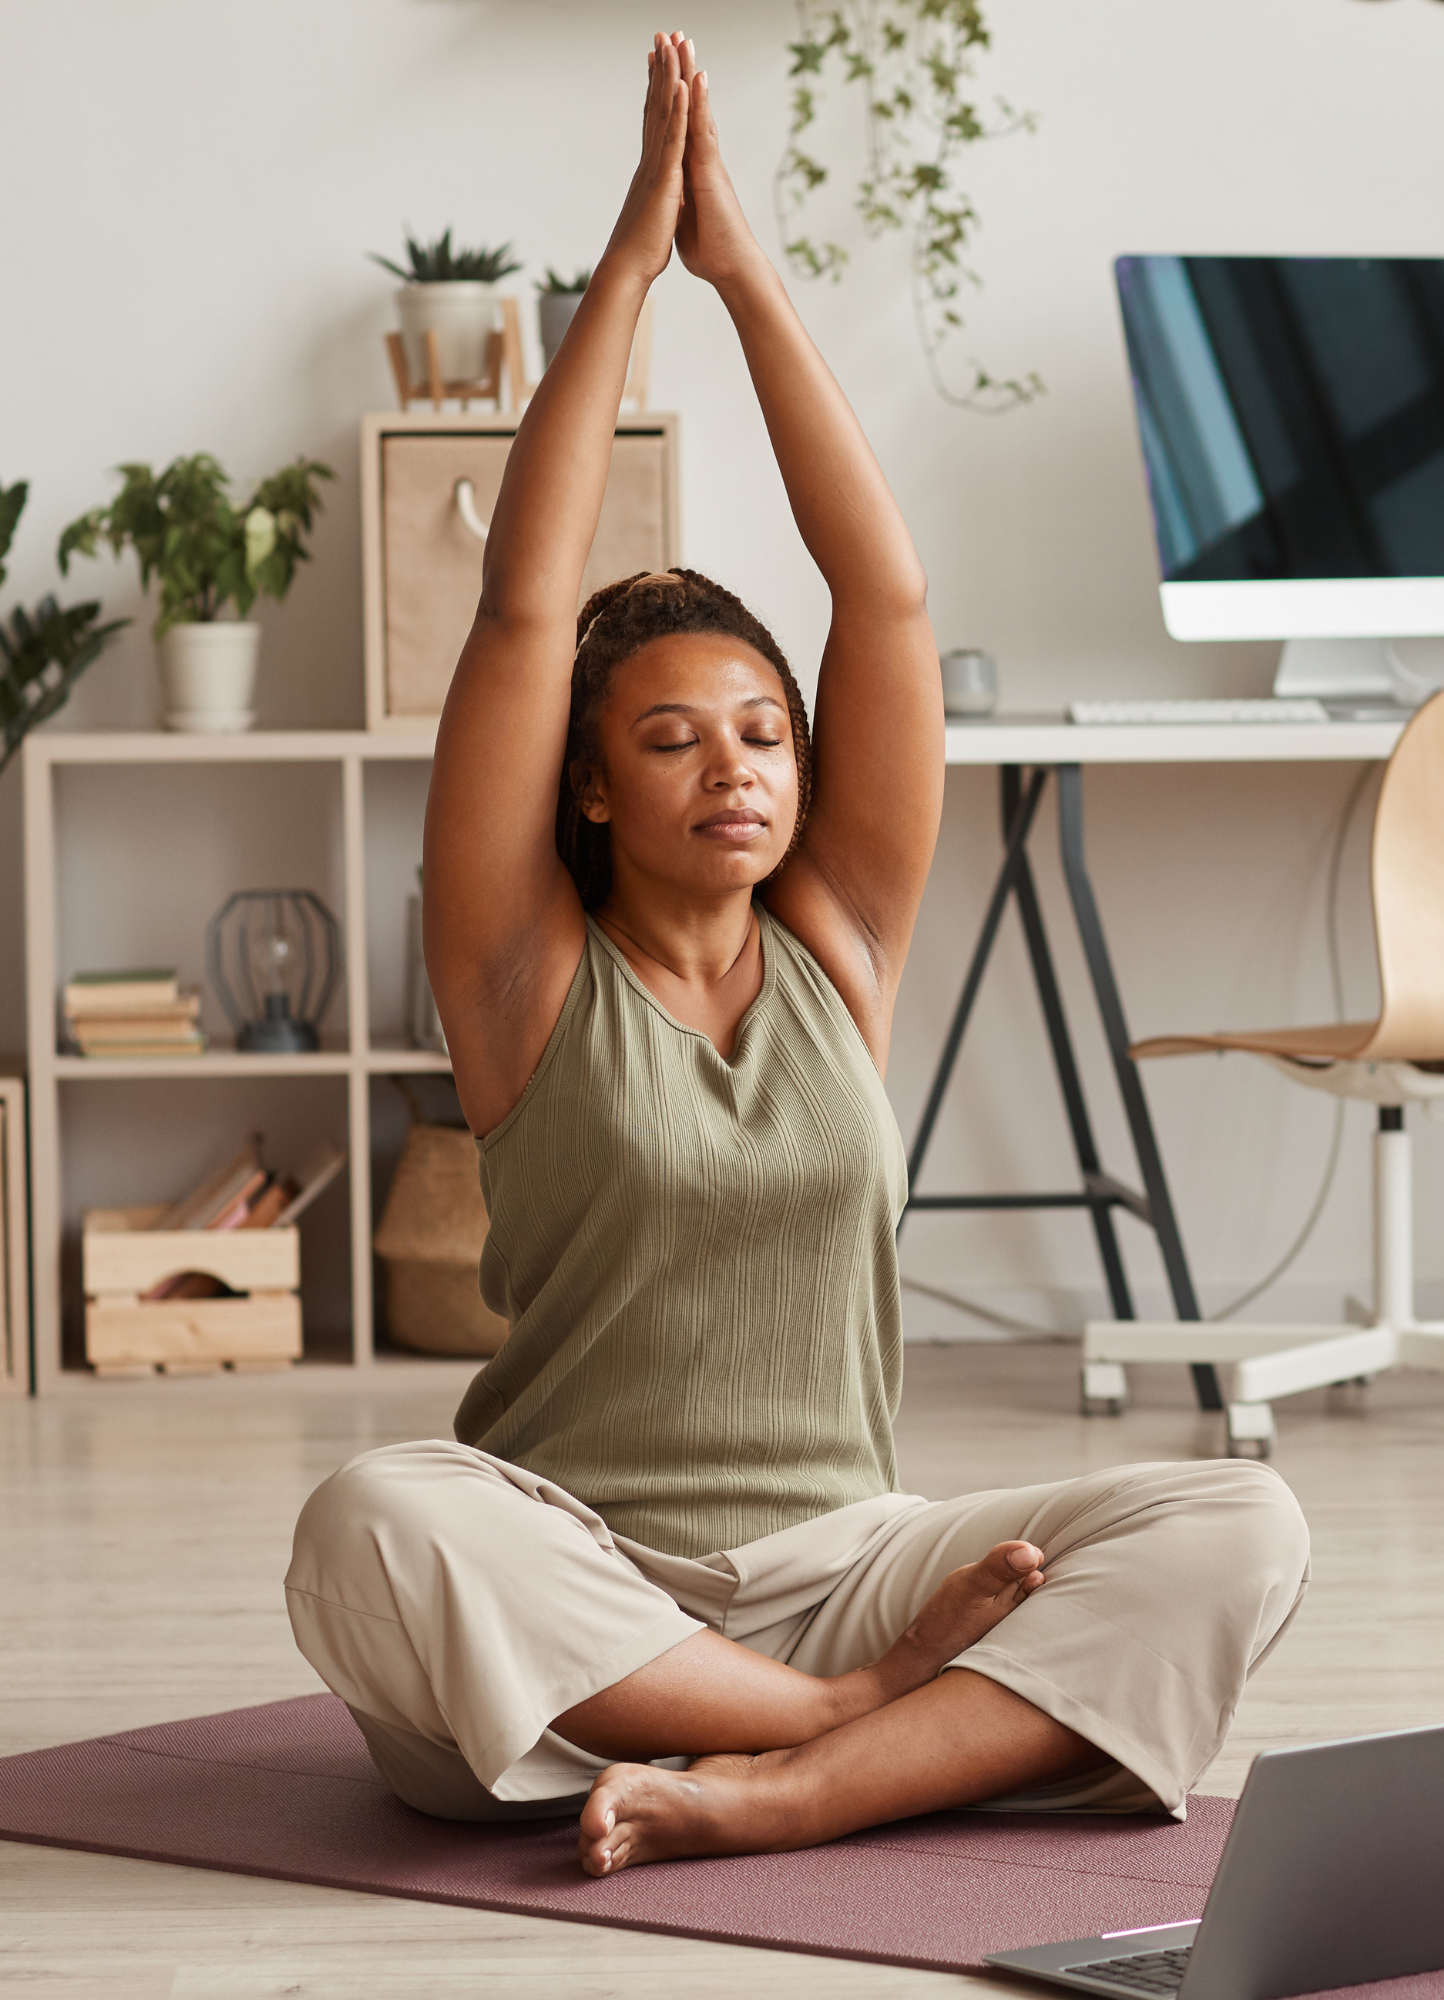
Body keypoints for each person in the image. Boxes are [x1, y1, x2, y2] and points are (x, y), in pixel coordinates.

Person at [286, 32, 1309, 1879]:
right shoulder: (524, 977)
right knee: (371, 1519)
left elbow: (887, 596)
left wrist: (743, 270)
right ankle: (849, 1740)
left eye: (761, 731)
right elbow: (529, 600)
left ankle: (774, 1788)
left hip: (855, 1566)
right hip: (585, 1588)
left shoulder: (840, 950)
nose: (734, 767)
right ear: (588, 788)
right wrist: (626, 270)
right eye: (672, 739)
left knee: (1244, 1522)